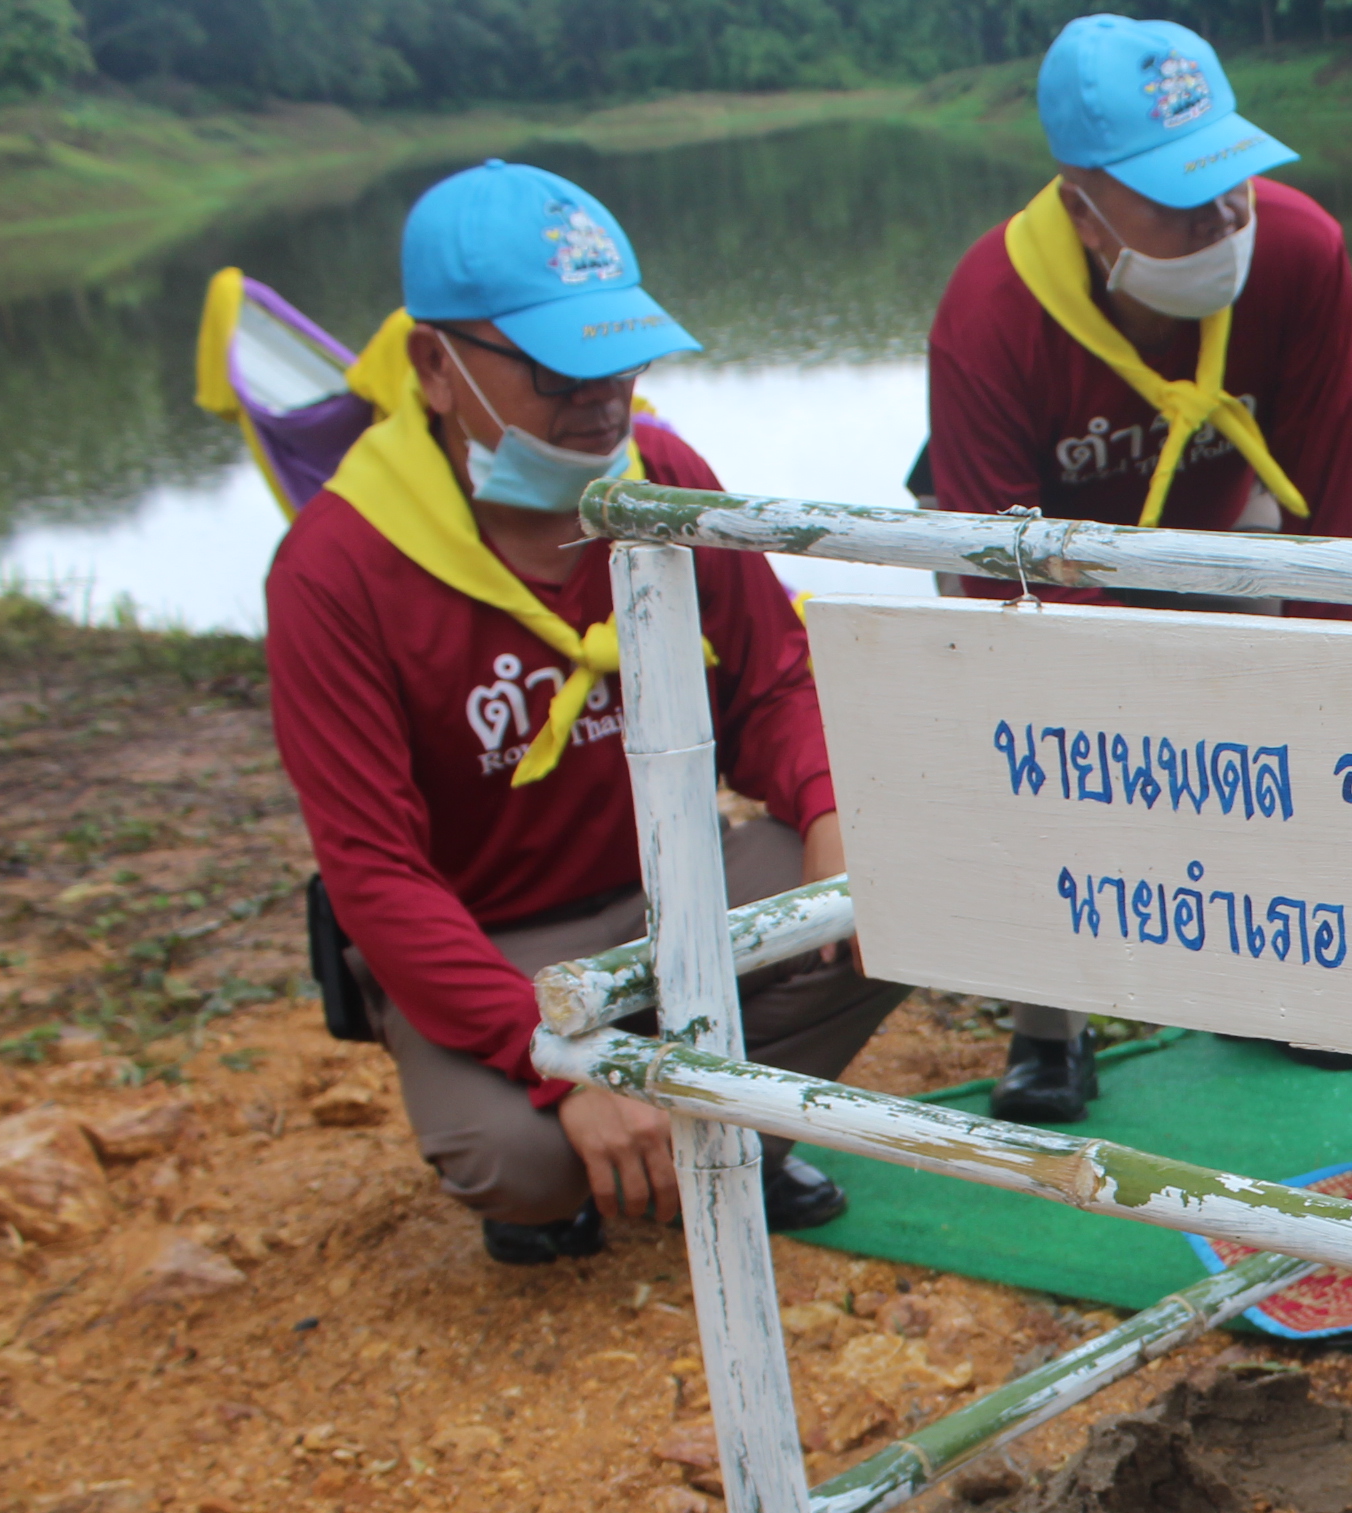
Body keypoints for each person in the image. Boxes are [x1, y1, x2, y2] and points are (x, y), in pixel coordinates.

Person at [265, 160, 903, 1267]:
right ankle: (603, 1153)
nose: (603, 396)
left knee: (896, 899)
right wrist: (553, 1059)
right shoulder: (338, 568)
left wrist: (830, 809)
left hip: (674, 877)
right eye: (561, 367)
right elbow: (376, 875)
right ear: (436, 365)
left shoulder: (661, 473)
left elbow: (772, 684)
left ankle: (722, 1132)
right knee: (519, 1161)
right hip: (493, 935)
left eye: (620, 353)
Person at [923, 13, 1352, 1119]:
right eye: (1181, 204)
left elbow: (1330, 510)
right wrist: (1080, 642)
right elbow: (991, 578)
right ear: (1083, 206)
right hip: (1040, 557)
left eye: (1233, 184)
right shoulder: (989, 314)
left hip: (1226, 531)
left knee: (1285, 718)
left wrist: (1310, 692)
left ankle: (1294, 977)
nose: (1225, 222)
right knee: (1045, 741)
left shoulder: (1302, 251)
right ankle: (1048, 1015)